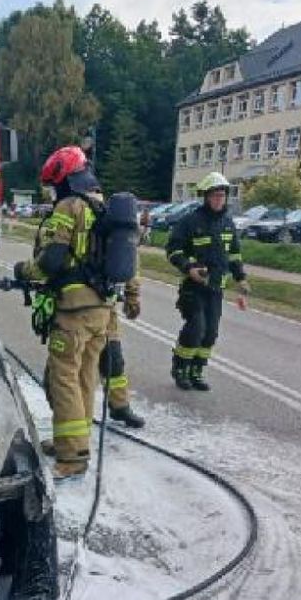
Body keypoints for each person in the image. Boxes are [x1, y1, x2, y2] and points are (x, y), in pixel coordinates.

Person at [13, 146, 112, 478]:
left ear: (66, 181)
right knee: (85, 376)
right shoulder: (102, 206)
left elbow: (51, 262)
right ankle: (76, 441)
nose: (54, 193)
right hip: (103, 311)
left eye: (55, 186)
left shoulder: (69, 208)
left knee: (63, 378)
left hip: (74, 310)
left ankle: (72, 457)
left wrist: (23, 271)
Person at [165, 172, 249, 391]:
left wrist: (241, 278)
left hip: (216, 289)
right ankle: (180, 368)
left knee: (210, 332)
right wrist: (189, 268)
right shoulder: (190, 221)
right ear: (206, 196)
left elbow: (235, 255)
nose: (219, 199)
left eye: (222, 195)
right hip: (193, 288)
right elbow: (173, 250)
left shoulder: (228, 224)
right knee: (196, 328)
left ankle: (197, 371)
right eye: (215, 195)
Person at [102, 273, 145, 428]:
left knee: (113, 360)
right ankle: (68, 414)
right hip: (72, 309)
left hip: (105, 309)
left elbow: (128, 264)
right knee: (70, 368)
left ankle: (119, 406)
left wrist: (132, 296)